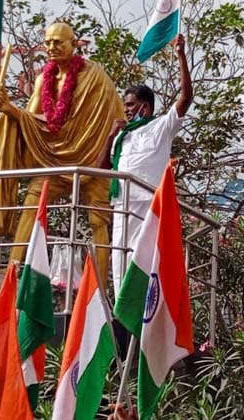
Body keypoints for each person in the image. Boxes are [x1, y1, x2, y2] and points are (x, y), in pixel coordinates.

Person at [0, 21, 125, 282]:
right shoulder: (42, 80)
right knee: (32, 203)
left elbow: (118, 117)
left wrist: (108, 155)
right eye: (48, 42)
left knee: (98, 222)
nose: (52, 47)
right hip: (55, 160)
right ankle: (13, 269)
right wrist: (8, 109)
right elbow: (33, 117)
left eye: (59, 41)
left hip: (94, 160)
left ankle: (99, 286)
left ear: (74, 43)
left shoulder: (95, 76)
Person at [98, 33, 193, 294]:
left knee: (146, 263)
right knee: (120, 263)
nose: (126, 110)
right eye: (124, 105)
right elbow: (102, 168)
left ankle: (145, 318)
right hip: (122, 205)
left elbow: (186, 98)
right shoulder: (122, 136)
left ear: (146, 105)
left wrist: (181, 56)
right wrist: (110, 137)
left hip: (149, 205)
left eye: (131, 104)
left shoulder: (160, 127)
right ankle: (123, 318)